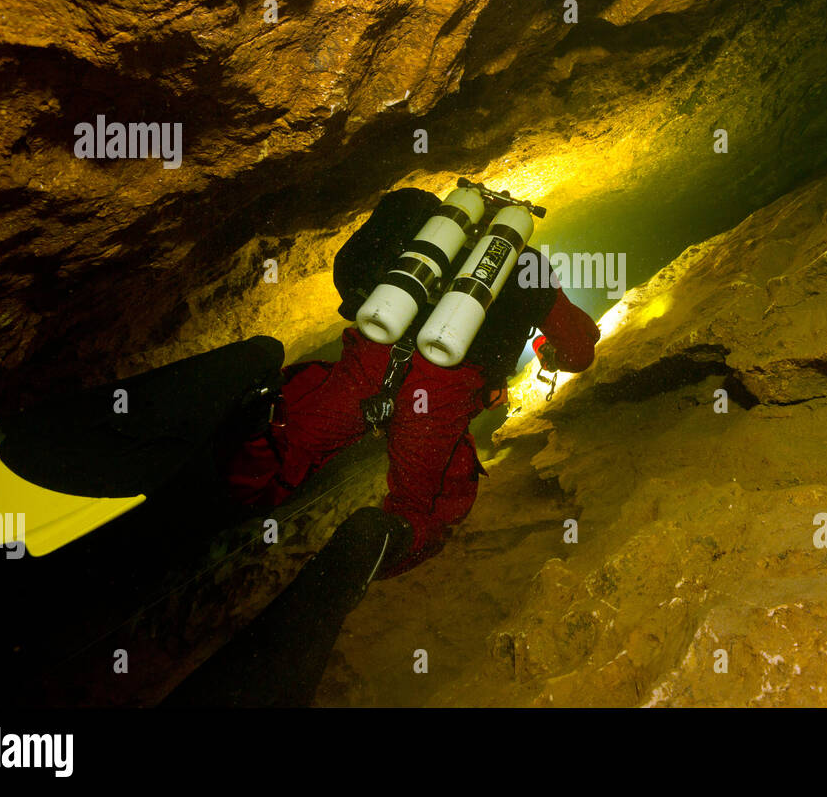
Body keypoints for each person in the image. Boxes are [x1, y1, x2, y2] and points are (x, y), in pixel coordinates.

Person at [223, 186, 601, 583]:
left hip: (372, 358)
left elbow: (350, 268)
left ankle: (223, 500)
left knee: (287, 441)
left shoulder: (421, 230)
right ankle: (364, 559)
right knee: (420, 504)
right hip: (439, 391)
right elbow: (579, 350)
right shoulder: (530, 268)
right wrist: (548, 351)